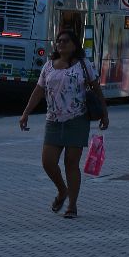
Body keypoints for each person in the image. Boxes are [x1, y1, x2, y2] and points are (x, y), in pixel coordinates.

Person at [20, 29, 107, 218]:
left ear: (75, 45)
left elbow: (97, 90)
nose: (61, 44)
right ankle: (62, 190)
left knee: (71, 163)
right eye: (59, 41)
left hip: (78, 119)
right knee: (48, 162)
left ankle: (72, 206)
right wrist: (26, 113)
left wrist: (104, 114)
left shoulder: (84, 65)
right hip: (53, 120)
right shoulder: (49, 66)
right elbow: (38, 91)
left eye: (66, 41)